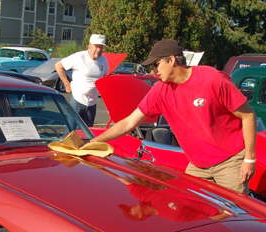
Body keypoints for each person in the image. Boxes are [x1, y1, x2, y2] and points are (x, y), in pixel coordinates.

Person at [91, 39, 257, 193]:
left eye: (156, 64)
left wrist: (249, 159)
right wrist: (94, 142)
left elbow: (248, 116)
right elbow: (129, 123)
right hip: (198, 165)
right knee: (194, 212)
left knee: (232, 218)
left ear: (171, 60)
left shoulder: (212, 79)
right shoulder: (159, 90)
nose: (154, 71)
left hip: (230, 162)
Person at [55, 33, 109, 127]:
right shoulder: (79, 57)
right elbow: (58, 66)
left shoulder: (103, 61)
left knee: (87, 134)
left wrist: (109, 104)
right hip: (77, 102)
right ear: (89, 46)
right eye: (96, 46)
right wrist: (67, 84)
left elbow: (104, 80)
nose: (99, 50)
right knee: (70, 134)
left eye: (101, 47)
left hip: (92, 104)